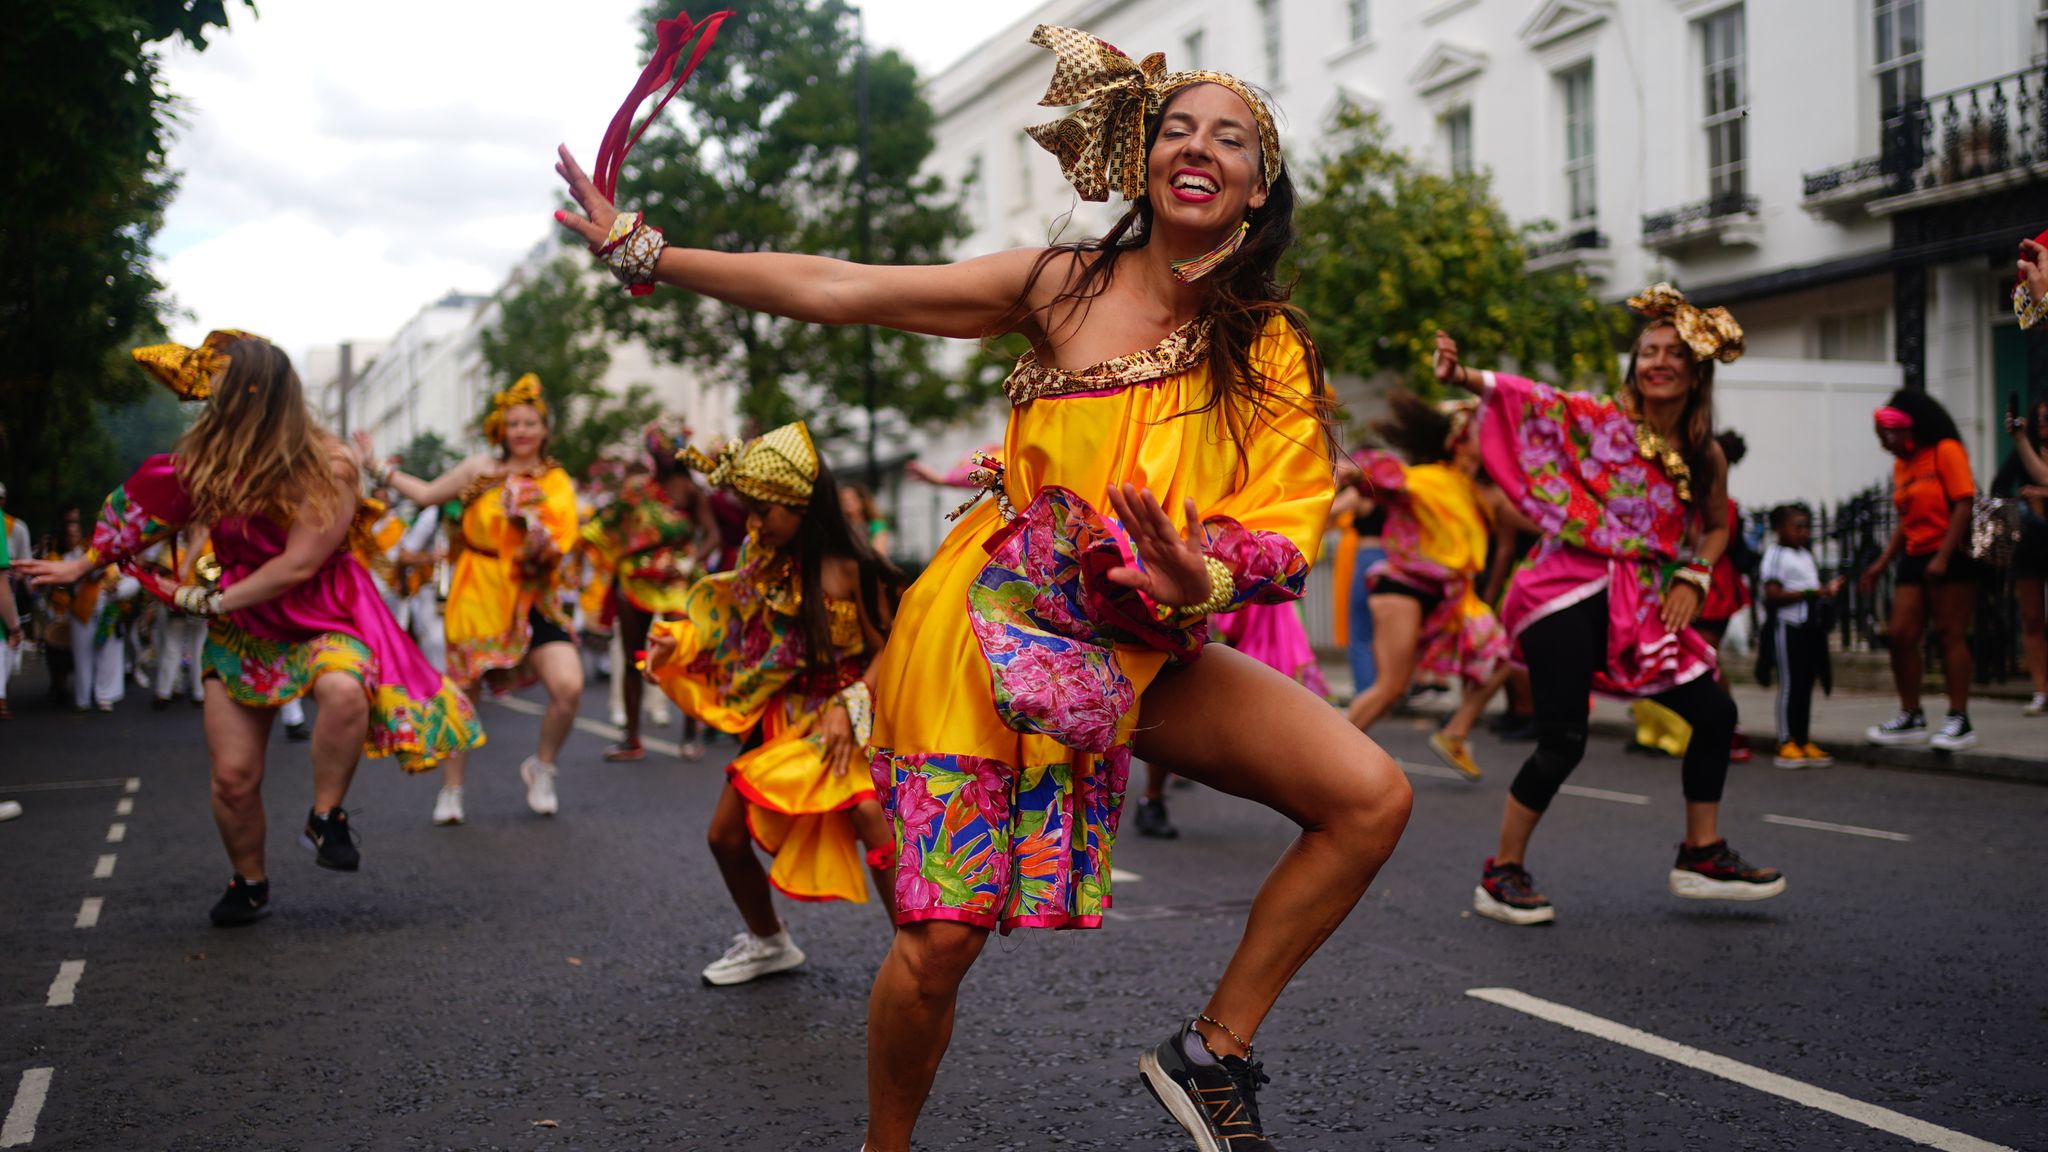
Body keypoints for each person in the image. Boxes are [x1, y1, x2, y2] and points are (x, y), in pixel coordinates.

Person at [555, 26, 1412, 1152]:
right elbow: (841, 285)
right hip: (986, 629)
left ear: (1257, 185)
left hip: (1135, 636)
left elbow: (1285, 513)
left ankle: (1212, 1052)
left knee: (1367, 798)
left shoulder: (1265, 350)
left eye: (1232, 136)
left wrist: (1197, 570)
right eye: (1178, 128)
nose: (1200, 146)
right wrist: (647, 252)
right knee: (942, 939)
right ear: (1144, 160)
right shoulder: (1061, 284)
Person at [19, 331, 482, 924]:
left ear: (258, 393)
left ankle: (326, 816)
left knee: (343, 690)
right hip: (245, 623)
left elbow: (299, 564)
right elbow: (144, 514)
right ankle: (250, 880)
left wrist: (213, 601)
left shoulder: (330, 464)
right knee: (234, 778)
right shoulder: (208, 462)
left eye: (221, 390)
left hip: (322, 615)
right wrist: (82, 564)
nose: (211, 402)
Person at [1438, 283, 1787, 928]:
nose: (1656, 361)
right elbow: (1536, 399)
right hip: (1563, 587)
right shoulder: (1601, 422)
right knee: (1563, 739)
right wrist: (1468, 376)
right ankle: (1502, 873)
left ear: (1694, 369)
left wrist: (1695, 574)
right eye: (1647, 350)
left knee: (1714, 712)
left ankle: (1701, 854)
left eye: (1671, 353)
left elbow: (1714, 526)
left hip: (1645, 598)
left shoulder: (1704, 451)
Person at [642, 423, 904, 983]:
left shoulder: (854, 566)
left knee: (866, 813)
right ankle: (769, 941)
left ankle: (917, 955)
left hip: (848, 717)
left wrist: (849, 703)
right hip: (782, 715)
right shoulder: (762, 557)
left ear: (801, 506)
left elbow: (891, 647)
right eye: (750, 512)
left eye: (763, 512)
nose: (755, 524)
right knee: (724, 837)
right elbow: (734, 632)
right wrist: (680, 641)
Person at [364, 374, 583, 824]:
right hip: (478, 590)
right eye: (514, 423)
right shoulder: (479, 469)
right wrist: (377, 467)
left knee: (569, 687)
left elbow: (564, 537)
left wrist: (531, 525)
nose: (521, 431)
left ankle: (542, 767)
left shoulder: (557, 481)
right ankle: (451, 790)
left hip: (532, 593)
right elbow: (426, 494)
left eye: (530, 423)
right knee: (463, 694)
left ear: (544, 430)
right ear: (501, 429)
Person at [1342, 393, 1510, 779]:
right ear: (1458, 442)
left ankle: (1455, 732)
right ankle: (1328, 757)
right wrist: (1354, 471)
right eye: (1478, 435)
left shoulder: (1467, 488)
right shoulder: (1429, 478)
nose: (1487, 441)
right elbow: (1384, 475)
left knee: (1502, 656)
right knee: (1390, 687)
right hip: (1401, 589)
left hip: (1449, 597)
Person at [580, 419, 717, 762]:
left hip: (677, 583)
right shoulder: (637, 489)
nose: (667, 453)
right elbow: (608, 524)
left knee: (684, 653)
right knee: (631, 659)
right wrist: (573, 538)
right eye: (660, 447)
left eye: (672, 447)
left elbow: (712, 535)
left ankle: (690, 733)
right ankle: (631, 738)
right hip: (636, 579)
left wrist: (689, 561)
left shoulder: (692, 491)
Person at [1858, 390, 1978, 750]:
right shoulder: (1903, 465)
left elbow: (1964, 502)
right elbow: (1905, 519)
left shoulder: (1945, 451)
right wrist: (1881, 563)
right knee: (1899, 634)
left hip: (1951, 552)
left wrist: (1942, 556)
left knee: (1949, 633)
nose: (1885, 444)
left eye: (1888, 435)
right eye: (1881, 437)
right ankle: (1911, 715)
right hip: (1915, 553)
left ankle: (1959, 719)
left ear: (1910, 428)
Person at [1755, 504, 1844, 767]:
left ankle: (1803, 739)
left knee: (1806, 683)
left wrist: (1825, 592)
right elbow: (1771, 595)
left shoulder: (1805, 555)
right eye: (1797, 526)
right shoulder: (1775, 555)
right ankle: (1785, 741)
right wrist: (1814, 593)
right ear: (1779, 529)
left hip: (1809, 627)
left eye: (1806, 526)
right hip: (1787, 626)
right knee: (1790, 684)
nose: (1803, 532)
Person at [1995, 400, 2048, 715]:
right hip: (2031, 545)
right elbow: (1999, 488)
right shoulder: (2024, 453)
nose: (2043, 423)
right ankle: (2041, 689)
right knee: (2031, 619)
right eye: (2040, 418)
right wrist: (2022, 501)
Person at [147, 524, 211, 709]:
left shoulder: (178, 546)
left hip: (193, 602)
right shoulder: (196, 545)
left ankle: (167, 692)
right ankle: (187, 692)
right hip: (182, 602)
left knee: (181, 646)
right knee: (187, 646)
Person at [839, 480, 892, 559]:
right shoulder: (839, 526)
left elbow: (879, 553)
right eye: (843, 500)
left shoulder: (876, 524)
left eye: (852, 499)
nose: (847, 503)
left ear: (862, 501)